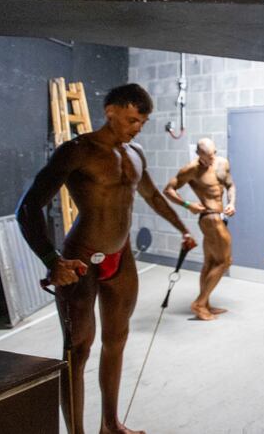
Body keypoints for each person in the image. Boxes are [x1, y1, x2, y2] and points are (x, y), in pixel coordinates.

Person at [16, 83, 196, 434]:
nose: (136, 128)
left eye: (142, 122)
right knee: (78, 350)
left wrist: (183, 229)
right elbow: (28, 207)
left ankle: (110, 425)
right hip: (80, 259)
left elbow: (153, 196)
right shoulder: (77, 151)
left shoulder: (135, 153)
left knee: (116, 342)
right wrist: (52, 260)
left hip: (120, 256)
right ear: (110, 111)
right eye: (131, 120)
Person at [163, 138, 236, 321]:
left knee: (210, 262)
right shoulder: (191, 169)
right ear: (198, 154)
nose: (211, 159)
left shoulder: (222, 163)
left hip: (220, 216)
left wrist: (231, 203)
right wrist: (188, 205)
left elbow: (230, 185)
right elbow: (168, 190)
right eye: (206, 157)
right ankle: (199, 304)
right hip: (210, 218)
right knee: (225, 262)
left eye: (213, 154)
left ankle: (206, 304)